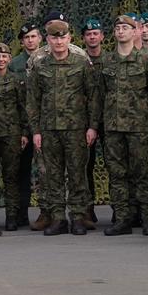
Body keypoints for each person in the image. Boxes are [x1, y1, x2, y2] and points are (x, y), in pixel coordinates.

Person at [27, 21, 99, 235]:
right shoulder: (40, 66)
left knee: (78, 173)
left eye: (62, 37)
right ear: (48, 40)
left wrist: (92, 126)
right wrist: (36, 131)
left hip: (76, 128)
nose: (59, 41)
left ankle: (78, 217)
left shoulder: (81, 63)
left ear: (69, 38)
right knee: (53, 176)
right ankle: (58, 218)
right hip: (49, 130)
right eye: (54, 38)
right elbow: (33, 101)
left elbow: (93, 97)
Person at [99, 15, 148, 236]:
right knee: (117, 174)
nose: (121, 31)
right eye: (117, 28)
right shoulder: (106, 61)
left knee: (144, 173)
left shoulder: (146, 60)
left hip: (140, 128)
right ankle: (123, 219)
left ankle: (147, 219)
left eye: (126, 28)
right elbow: (101, 94)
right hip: (114, 128)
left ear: (135, 31)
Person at [0, 43, 28, 231]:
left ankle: (12, 216)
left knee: (11, 177)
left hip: (12, 133)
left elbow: (23, 108)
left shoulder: (16, 81)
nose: (1, 60)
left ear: (9, 59)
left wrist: (24, 132)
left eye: (4, 56)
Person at [9, 20, 41, 227]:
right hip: (23, 126)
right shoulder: (15, 65)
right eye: (26, 38)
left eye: (33, 36)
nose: (30, 40)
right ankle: (21, 213)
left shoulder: (47, 58)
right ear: (22, 42)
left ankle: (48, 213)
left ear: (40, 38)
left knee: (48, 172)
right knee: (21, 171)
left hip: (45, 125)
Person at [81, 17, 106, 227]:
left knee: (115, 166)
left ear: (102, 36)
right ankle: (87, 210)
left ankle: (122, 211)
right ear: (83, 38)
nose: (92, 36)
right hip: (85, 120)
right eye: (88, 34)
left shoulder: (110, 60)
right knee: (84, 166)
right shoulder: (80, 61)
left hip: (110, 120)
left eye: (95, 33)